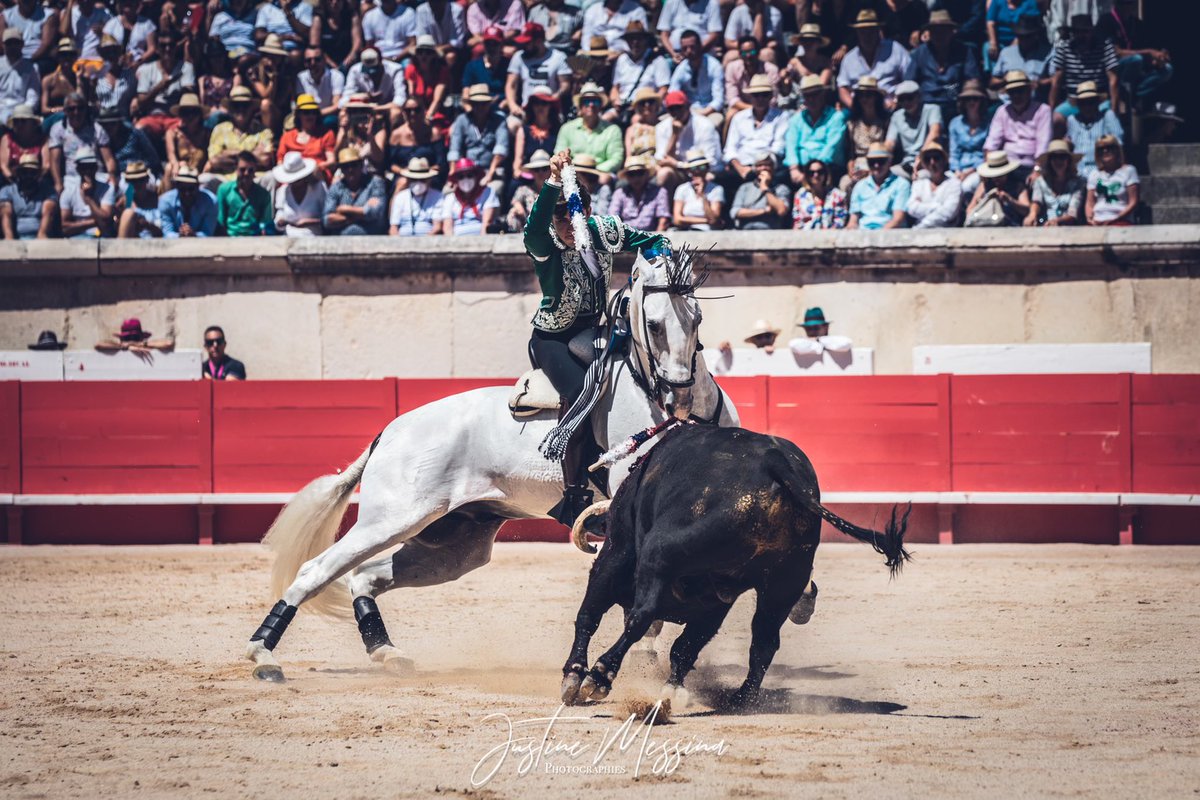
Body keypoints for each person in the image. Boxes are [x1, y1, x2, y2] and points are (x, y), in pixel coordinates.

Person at [524, 149, 667, 524]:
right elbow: (535, 224)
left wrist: (657, 273)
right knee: (578, 394)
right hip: (552, 339)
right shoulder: (545, 242)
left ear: (586, 213)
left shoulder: (604, 232)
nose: (568, 227)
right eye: (560, 219)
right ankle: (574, 495)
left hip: (595, 332)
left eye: (573, 217)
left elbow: (655, 241)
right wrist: (553, 182)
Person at [905, 10, 980, 121]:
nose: (939, 35)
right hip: (926, 105)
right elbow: (909, 82)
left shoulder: (964, 51)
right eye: (935, 31)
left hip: (954, 103)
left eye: (943, 31)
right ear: (929, 33)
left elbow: (972, 78)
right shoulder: (919, 53)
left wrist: (965, 98)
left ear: (951, 32)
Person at [1099, 0, 1172, 107]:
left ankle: (1133, 96)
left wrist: (1157, 59)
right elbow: (1116, 52)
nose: (1127, 6)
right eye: (1123, 3)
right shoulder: (1106, 21)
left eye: (1130, 3)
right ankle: (1123, 95)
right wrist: (1148, 52)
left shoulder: (1137, 24)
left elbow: (1143, 50)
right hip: (1114, 69)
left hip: (1136, 70)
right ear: (1116, 3)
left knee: (1167, 69)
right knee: (1136, 59)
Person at [835, 10, 910, 109]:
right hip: (859, 111)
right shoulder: (849, 59)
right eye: (863, 32)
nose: (867, 36)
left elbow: (909, 78)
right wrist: (855, 108)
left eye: (871, 31)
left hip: (892, 108)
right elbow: (842, 88)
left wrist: (897, 100)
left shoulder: (895, 50)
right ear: (857, 33)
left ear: (878, 31)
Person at [984, 70, 1050, 181]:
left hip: (1032, 165)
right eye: (1012, 92)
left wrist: (1037, 170)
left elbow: (1043, 144)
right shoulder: (1002, 111)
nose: (1016, 95)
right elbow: (992, 142)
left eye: (1020, 90)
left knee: (1038, 185)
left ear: (1029, 90)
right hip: (1005, 167)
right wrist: (988, 168)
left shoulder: (1043, 110)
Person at [1049, 14, 1119, 118]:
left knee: (1109, 118)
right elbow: (1056, 81)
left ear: (1092, 32)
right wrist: (1051, 111)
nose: (1081, 36)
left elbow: (1113, 79)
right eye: (1077, 32)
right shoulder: (1064, 48)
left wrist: (1114, 110)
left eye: (1085, 32)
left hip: (1098, 101)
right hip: (1074, 102)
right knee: (1056, 119)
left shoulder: (1104, 46)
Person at [447, 83, 510, 197]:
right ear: (471, 104)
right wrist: (453, 173)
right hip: (466, 171)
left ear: (489, 104)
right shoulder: (462, 120)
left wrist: (490, 173)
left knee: (494, 191)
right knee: (448, 191)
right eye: (476, 104)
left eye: (483, 104)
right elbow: (454, 148)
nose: (480, 107)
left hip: (491, 170)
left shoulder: (499, 120)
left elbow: (501, 148)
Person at [555, 81, 623, 183]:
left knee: (605, 180)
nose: (591, 105)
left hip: (600, 173)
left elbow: (616, 159)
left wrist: (593, 171)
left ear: (601, 106)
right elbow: (560, 154)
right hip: (573, 173)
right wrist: (576, 171)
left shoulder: (613, 130)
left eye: (595, 101)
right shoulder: (567, 128)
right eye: (586, 101)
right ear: (580, 106)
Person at [725, 74, 788, 184]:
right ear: (750, 97)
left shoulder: (781, 116)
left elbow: (778, 148)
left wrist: (760, 167)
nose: (760, 99)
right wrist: (740, 168)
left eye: (764, 95)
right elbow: (730, 149)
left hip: (768, 167)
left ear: (770, 96)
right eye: (756, 95)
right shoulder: (739, 118)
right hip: (742, 168)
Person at [207, 86, 273, 188]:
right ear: (230, 108)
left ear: (252, 108)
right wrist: (250, 155)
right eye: (236, 105)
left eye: (245, 105)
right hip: (226, 179)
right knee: (205, 179)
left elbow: (265, 159)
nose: (241, 109)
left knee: (271, 177)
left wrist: (227, 153)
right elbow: (214, 160)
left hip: (254, 179)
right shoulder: (219, 129)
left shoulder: (264, 131)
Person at [654, 89, 722, 188]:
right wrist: (674, 135)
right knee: (664, 173)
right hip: (680, 172)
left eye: (679, 107)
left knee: (708, 177)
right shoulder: (662, 127)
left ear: (688, 106)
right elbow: (662, 160)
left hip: (703, 171)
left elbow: (711, 162)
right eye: (672, 109)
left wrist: (678, 164)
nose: (676, 112)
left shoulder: (704, 125)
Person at [132, 29, 194, 138]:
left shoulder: (186, 67)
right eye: (163, 46)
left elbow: (189, 94)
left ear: (176, 47)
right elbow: (141, 101)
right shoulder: (146, 69)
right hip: (153, 117)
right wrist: (159, 88)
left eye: (171, 45)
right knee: (138, 130)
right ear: (157, 49)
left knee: (183, 131)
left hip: (175, 117)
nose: (167, 49)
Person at [506, 22, 572, 116]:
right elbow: (511, 84)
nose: (524, 45)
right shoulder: (519, 57)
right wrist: (512, 105)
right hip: (526, 109)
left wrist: (554, 98)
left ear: (539, 41)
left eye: (527, 43)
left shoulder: (558, 57)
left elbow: (565, 84)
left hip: (550, 109)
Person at [1063, 81, 1122, 179]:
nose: (1087, 107)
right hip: (1077, 172)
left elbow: (1119, 143)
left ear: (1097, 102)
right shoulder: (1072, 120)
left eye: (1091, 102)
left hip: (1102, 172)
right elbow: (1069, 143)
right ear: (1078, 104)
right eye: (1083, 103)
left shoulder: (1107, 116)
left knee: (1099, 186)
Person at [323, 148, 387, 235]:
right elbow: (327, 220)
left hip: (371, 239)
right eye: (345, 166)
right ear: (341, 169)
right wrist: (361, 213)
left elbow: (375, 212)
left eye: (354, 165)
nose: (350, 170)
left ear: (361, 164)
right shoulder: (335, 188)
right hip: (341, 240)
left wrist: (344, 209)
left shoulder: (375, 183)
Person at [991, 15, 1054, 102]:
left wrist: (1040, 83)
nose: (1024, 40)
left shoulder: (1048, 52)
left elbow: (1055, 79)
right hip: (1008, 101)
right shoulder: (1006, 52)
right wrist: (1005, 81)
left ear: (1035, 35)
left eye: (1027, 36)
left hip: (1036, 102)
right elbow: (993, 81)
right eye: (1021, 36)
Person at [668, 29, 724, 128]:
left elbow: (718, 100)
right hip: (687, 112)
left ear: (700, 46)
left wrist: (702, 113)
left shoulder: (714, 66)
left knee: (710, 125)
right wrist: (685, 113)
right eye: (685, 48)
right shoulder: (681, 69)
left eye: (692, 47)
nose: (689, 51)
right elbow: (672, 94)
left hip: (710, 111)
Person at [610, 21, 669, 114]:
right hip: (624, 106)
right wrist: (616, 101)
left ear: (645, 40)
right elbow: (615, 88)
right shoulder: (621, 60)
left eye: (638, 39)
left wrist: (649, 106)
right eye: (631, 39)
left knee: (636, 120)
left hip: (646, 108)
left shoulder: (657, 60)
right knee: (606, 118)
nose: (635, 43)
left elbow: (663, 90)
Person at [848, 142, 909, 230]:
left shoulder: (901, 184)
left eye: (881, 161)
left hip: (890, 234)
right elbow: (853, 220)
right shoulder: (860, 186)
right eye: (872, 162)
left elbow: (898, 219)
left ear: (889, 162)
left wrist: (878, 235)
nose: (876, 165)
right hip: (863, 233)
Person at [885, 80, 943, 170]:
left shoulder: (932, 109)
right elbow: (890, 143)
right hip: (906, 163)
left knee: (923, 176)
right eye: (902, 99)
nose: (906, 102)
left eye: (909, 98)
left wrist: (921, 157)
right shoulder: (896, 116)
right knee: (891, 175)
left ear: (919, 97)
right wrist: (882, 158)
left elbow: (935, 133)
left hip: (929, 162)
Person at [59, 146, 115, 237]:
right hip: (77, 238)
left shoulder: (107, 189)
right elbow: (64, 227)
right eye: (84, 168)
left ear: (96, 167)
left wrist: (89, 199)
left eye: (91, 167)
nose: (88, 171)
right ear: (78, 169)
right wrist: (94, 222)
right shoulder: (69, 191)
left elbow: (105, 221)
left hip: (102, 238)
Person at [277, 94, 336, 180]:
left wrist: (314, 168)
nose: (310, 116)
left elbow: (331, 161)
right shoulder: (287, 136)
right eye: (306, 112)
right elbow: (280, 161)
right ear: (299, 114)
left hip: (317, 175)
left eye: (313, 112)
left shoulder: (326, 134)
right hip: (292, 177)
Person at [1027, 139, 1084, 226]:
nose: (1058, 161)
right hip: (1046, 226)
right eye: (1055, 157)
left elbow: (1073, 213)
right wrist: (1032, 214)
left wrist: (1057, 221)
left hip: (1071, 228)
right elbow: (1036, 201)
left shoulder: (1078, 183)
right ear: (1049, 161)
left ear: (1068, 160)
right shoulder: (1040, 181)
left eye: (1062, 157)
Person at [964, 150, 1029, 227]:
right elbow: (969, 210)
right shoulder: (984, 185)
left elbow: (1026, 210)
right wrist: (984, 201)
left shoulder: (1017, 185)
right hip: (986, 224)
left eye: (1000, 176)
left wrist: (1009, 199)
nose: (996, 179)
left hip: (1011, 225)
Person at [0, 153, 58, 239]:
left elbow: (48, 213)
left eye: (32, 173)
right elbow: (6, 214)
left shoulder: (48, 191)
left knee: (49, 210)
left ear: (37, 174)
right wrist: (9, 237)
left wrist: (42, 234)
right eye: (25, 172)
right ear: (19, 173)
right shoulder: (7, 191)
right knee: (4, 210)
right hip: (15, 237)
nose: (28, 176)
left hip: (40, 236)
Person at [1085, 134, 1138, 227]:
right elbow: (1090, 203)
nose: (1105, 151)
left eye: (1109, 147)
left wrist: (1115, 218)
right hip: (1097, 220)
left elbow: (1133, 202)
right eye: (1101, 149)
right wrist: (1090, 218)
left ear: (1117, 150)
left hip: (1121, 219)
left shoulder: (1129, 170)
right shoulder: (1094, 174)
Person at [906, 142, 962, 228]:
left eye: (936, 158)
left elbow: (948, 213)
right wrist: (937, 206)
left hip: (945, 231)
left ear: (944, 160)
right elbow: (911, 208)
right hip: (920, 231)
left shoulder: (954, 184)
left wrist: (922, 225)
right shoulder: (919, 183)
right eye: (927, 159)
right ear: (924, 163)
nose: (932, 162)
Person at [217, 150, 272, 236]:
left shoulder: (264, 195)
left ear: (255, 171)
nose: (246, 173)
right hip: (231, 237)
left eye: (250, 170)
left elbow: (265, 223)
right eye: (242, 170)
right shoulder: (224, 190)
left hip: (254, 238)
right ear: (236, 169)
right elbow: (221, 222)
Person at [608, 154, 669, 232]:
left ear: (646, 174)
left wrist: (657, 237)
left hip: (651, 235)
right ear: (627, 177)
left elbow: (663, 220)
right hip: (626, 236)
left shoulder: (659, 192)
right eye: (631, 174)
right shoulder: (620, 193)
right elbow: (612, 218)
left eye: (640, 173)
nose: (636, 178)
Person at [731, 152, 791, 230]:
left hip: (770, 232)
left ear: (774, 167)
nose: (763, 168)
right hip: (745, 231)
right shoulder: (745, 187)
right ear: (755, 168)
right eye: (759, 165)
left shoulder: (782, 188)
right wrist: (764, 211)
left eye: (767, 165)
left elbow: (781, 210)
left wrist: (765, 187)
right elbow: (735, 212)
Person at [724, 35, 779, 117]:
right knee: (730, 115)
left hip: (766, 108)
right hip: (741, 108)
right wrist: (752, 109)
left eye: (752, 52)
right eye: (744, 53)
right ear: (739, 54)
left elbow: (773, 98)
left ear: (758, 52)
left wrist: (759, 109)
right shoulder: (732, 68)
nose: (748, 56)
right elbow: (733, 99)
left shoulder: (771, 69)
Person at [440, 157, 498, 235]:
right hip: (456, 239)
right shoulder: (450, 198)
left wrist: (482, 242)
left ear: (476, 177)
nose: (465, 180)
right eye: (461, 177)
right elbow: (447, 228)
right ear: (456, 180)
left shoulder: (487, 193)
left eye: (469, 175)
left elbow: (487, 223)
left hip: (481, 238)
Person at [272, 151, 325, 236]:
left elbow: (328, 217)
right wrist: (279, 221)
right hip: (288, 238)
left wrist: (311, 222)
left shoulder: (319, 188)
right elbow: (279, 214)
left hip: (314, 238)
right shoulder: (282, 191)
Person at [389, 155, 444, 236]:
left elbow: (437, 227)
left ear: (429, 180)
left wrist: (424, 241)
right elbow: (393, 227)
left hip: (428, 239)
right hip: (402, 239)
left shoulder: (437, 196)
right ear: (408, 179)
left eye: (422, 180)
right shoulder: (400, 197)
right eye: (414, 179)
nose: (418, 183)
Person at [158, 165, 217, 237]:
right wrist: (180, 235)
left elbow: (208, 232)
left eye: (191, 189)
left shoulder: (211, 201)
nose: (187, 193)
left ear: (198, 186)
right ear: (177, 186)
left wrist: (194, 235)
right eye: (182, 189)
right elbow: (167, 233)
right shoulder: (166, 201)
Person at [672, 149, 723, 231]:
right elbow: (677, 220)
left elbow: (713, 219)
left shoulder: (716, 189)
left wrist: (703, 196)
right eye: (694, 168)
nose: (697, 171)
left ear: (707, 169)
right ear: (689, 171)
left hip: (707, 232)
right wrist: (706, 221)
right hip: (686, 231)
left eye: (702, 167)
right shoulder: (682, 189)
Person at [792, 158, 847, 230]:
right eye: (811, 172)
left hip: (830, 234)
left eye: (820, 172)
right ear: (807, 175)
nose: (816, 175)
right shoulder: (800, 195)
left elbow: (840, 220)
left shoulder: (837, 194)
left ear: (825, 174)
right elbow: (797, 221)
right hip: (806, 234)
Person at [0, 27, 39, 126]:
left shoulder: (31, 68)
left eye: (16, 43)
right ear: (3, 45)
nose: (12, 46)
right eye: (9, 43)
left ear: (22, 44)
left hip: (21, 111)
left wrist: (22, 112)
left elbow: (33, 97)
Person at [724, 0, 784, 65]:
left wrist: (759, 13)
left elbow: (758, 42)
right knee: (730, 56)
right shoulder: (737, 12)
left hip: (762, 51)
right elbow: (729, 42)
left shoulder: (774, 14)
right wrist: (746, 48)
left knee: (767, 54)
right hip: (744, 51)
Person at [657, 0, 721, 58]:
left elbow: (714, 34)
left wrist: (693, 53)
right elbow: (664, 35)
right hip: (674, 55)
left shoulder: (712, 3)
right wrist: (674, 54)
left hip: (703, 55)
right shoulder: (671, 2)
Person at [0, 104, 45, 185]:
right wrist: (15, 181)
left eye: (23, 121)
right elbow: (3, 166)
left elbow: (46, 165)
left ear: (33, 122)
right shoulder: (7, 138)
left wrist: (34, 181)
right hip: (12, 181)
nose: (19, 124)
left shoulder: (42, 139)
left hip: (37, 182)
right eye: (16, 121)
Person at [116, 160, 163, 238]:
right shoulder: (125, 201)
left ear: (147, 179)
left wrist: (147, 225)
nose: (137, 184)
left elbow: (166, 231)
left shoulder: (158, 199)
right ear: (127, 181)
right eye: (133, 181)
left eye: (140, 180)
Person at [985, 0, 1039, 67]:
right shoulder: (997, 1)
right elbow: (990, 23)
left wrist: (1013, 45)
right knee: (987, 47)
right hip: (999, 41)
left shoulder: (1030, 3)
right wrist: (993, 43)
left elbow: (1028, 27)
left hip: (1020, 39)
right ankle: (995, 71)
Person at [462, 26, 508, 102]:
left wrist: (505, 103)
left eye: (495, 44)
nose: (491, 48)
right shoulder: (472, 66)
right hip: (478, 105)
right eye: (488, 44)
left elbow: (513, 92)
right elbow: (466, 93)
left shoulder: (509, 66)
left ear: (502, 45)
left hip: (502, 105)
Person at [95, 318, 174, 353]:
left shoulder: (146, 347)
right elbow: (98, 345)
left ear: (141, 337)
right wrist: (125, 346)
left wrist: (139, 344)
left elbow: (169, 343)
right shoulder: (117, 348)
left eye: (135, 337)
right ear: (122, 338)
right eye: (127, 338)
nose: (131, 340)